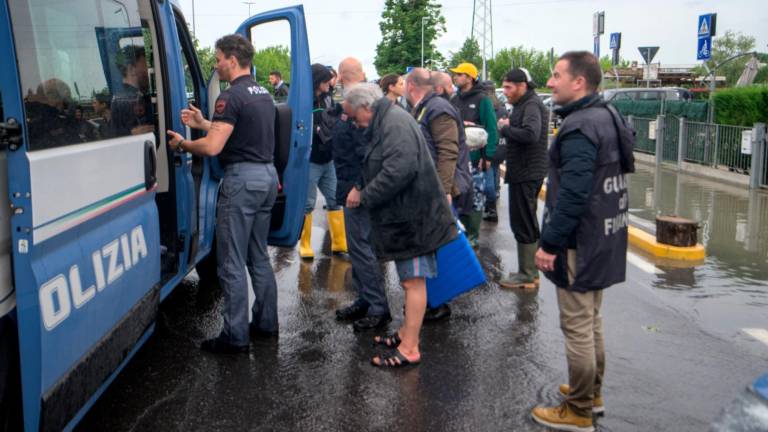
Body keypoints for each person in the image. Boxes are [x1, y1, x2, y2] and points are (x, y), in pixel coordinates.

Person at [530, 51, 631, 431]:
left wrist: (549, 244)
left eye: (556, 75)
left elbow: (573, 194)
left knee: (577, 327)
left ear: (579, 82)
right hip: (604, 235)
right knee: (591, 321)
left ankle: (578, 410)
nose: (550, 83)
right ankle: (592, 393)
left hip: (578, 241)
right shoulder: (608, 115)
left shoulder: (579, 128)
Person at [166, 34, 279, 354]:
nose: (215, 65)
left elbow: (214, 146)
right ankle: (266, 324)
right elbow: (237, 131)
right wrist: (204, 122)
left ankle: (235, 335)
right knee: (258, 256)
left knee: (230, 261)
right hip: (267, 178)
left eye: (217, 59)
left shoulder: (229, 97)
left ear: (232, 58)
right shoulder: (262, 94)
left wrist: (183, 144)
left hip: (242, 181)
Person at [344, 83, 457, 368]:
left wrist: (365, 196)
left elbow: (399, 170)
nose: (356, 124)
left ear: (366, 108)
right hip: (409, 217)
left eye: (355, 117)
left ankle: (409, 348)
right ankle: (406, 333)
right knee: (411, 280)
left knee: (412, 281)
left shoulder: (393, 122)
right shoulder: (388, 119)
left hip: (414, 219)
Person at [405, 68, 474, 322]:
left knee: (439, 245)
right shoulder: (426, 107)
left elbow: (448, 152)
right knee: (431, 245)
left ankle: (440, 303)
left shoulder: (438, 109)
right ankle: (430, 299)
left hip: (440, 189)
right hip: (431, 187)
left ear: (413, 86)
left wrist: (444, 190)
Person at [331, 57, 392, 331]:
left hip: (359, 189)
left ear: (341, 75)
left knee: (363, 250)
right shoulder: (353, 103)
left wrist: (357, 186)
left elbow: (368, 153)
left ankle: (377, 307)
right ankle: (364, 299)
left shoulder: (360, 105)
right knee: (358, 249)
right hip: (350, 185)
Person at [497, 69, 548, 290]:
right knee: (523, 220)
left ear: (522, 86)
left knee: (524, 221)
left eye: (508, 87)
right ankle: (528, 271)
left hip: (527, 172)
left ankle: (527, 275)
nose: (505, 92)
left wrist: (506, 128)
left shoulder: (531, 105)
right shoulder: (525, 104)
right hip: (524, 171)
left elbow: (531, 134)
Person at [298, 64, 347, 259]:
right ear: (318, 81)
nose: (330, 83)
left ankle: (339, 244)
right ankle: (305, 244)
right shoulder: (304, 100)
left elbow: (339, 112)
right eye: (327, 80)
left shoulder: (330, 97)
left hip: (329, 159)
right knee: (308, 204)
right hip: (311, 160)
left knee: (335, 200)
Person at [449, 62, 498, 247]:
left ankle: (473, 236)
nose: (455, 77)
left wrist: (488, 156)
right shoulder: (455, 99)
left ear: (469, 77)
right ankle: (460, 233)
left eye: (459, 74)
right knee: (459, 195)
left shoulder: (482, 99)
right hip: (457, 159)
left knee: (476, 196)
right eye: (455, 74)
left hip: (476, 159)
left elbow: (492, 129)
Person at [110, 45, 154, 136]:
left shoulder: (116, 97)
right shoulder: (132, 99)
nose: (148, 70)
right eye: (145, 65)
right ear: (131, 69)